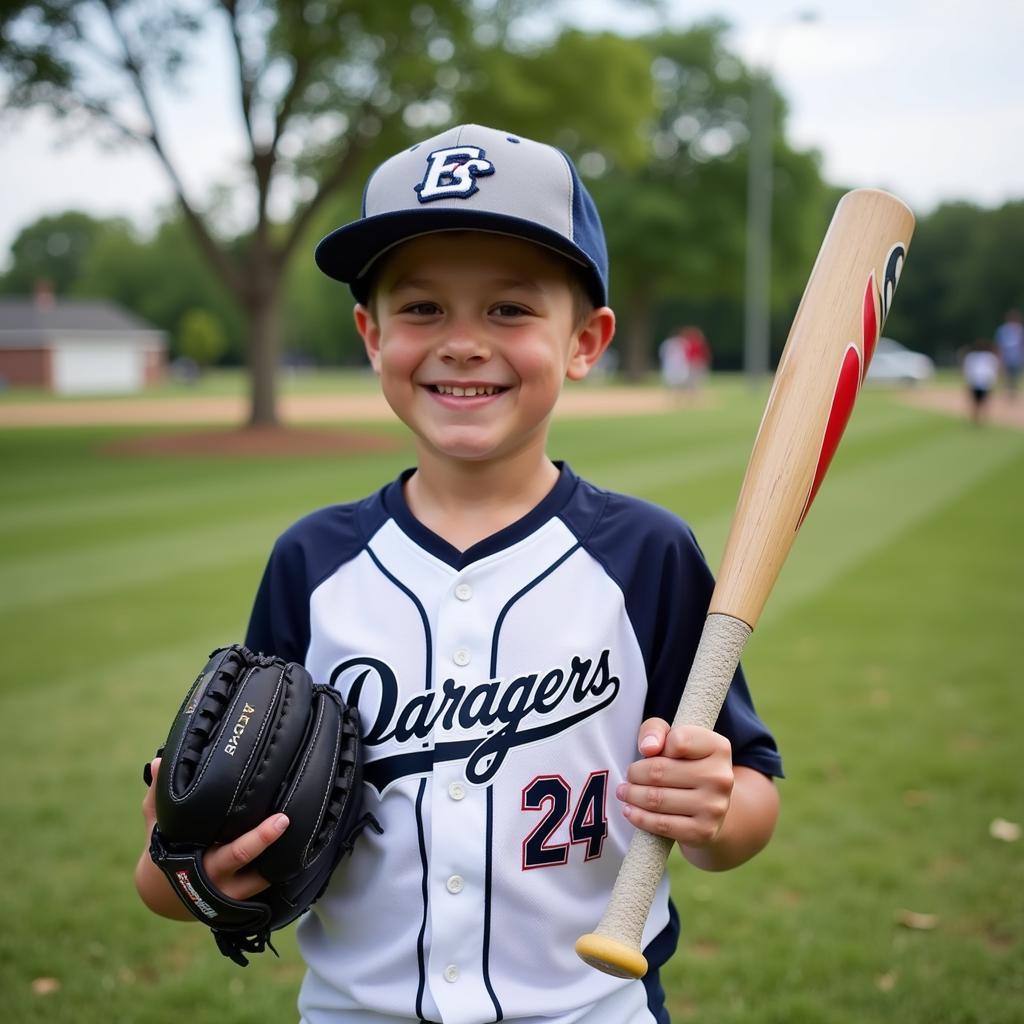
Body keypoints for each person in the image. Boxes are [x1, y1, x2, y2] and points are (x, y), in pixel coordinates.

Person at [135, 124, 783, 1024]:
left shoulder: (646, 556)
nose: (464, 343)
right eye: (423, 309)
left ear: (586, 341)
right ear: (371, 334)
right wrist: (189, 867)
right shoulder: (313, 565)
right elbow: (185, 868)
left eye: (511, 310)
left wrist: (716, 812)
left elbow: (746, 799)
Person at [961, 337, 1001, 425]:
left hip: (978, 382)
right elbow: (994, 370)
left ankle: (978, 419)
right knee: (982, 401)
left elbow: (967, 369)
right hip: (982, 382)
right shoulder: (988, 357)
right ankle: (980, 419)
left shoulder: (972, 356)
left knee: (978, 402)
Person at [994, 309, 1024, 398]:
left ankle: (1013, 393)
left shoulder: (1021, 330)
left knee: (1016, 377)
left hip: (1017, 358)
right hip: (1006, 357)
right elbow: (999, 345)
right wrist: (1000, 357)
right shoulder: (1002, 330)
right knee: (1007, 377)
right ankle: (1008, 393)